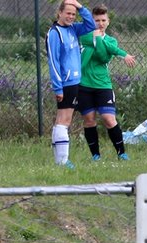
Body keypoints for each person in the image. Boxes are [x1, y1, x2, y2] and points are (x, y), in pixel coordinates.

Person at [78, 4, 136, 161]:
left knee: (109, 119)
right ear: (92, 22)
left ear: (108, 22)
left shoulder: (111, 41)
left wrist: (98, 39)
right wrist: (96, 38)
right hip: (84, 85)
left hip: (103, 85)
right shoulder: (83, 37)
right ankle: (95, 156)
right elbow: (91, 44)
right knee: (89, 120)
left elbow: (103, 56)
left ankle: (121, 153)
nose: (100, 23)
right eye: (97, 20)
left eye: (103, 20)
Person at [46, 0, 95, 168]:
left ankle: (59, 161)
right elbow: (53, 62)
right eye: (68, 13)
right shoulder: (54, 33)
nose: (71, 17)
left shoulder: (73, 28)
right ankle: (63, 160)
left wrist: (79, 6)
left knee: (62, 119)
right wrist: (58, 87)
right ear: (59, 13)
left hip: (75, 81)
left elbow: (91, 25)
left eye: (74, 14)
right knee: (64, 120)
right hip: (66, 83)